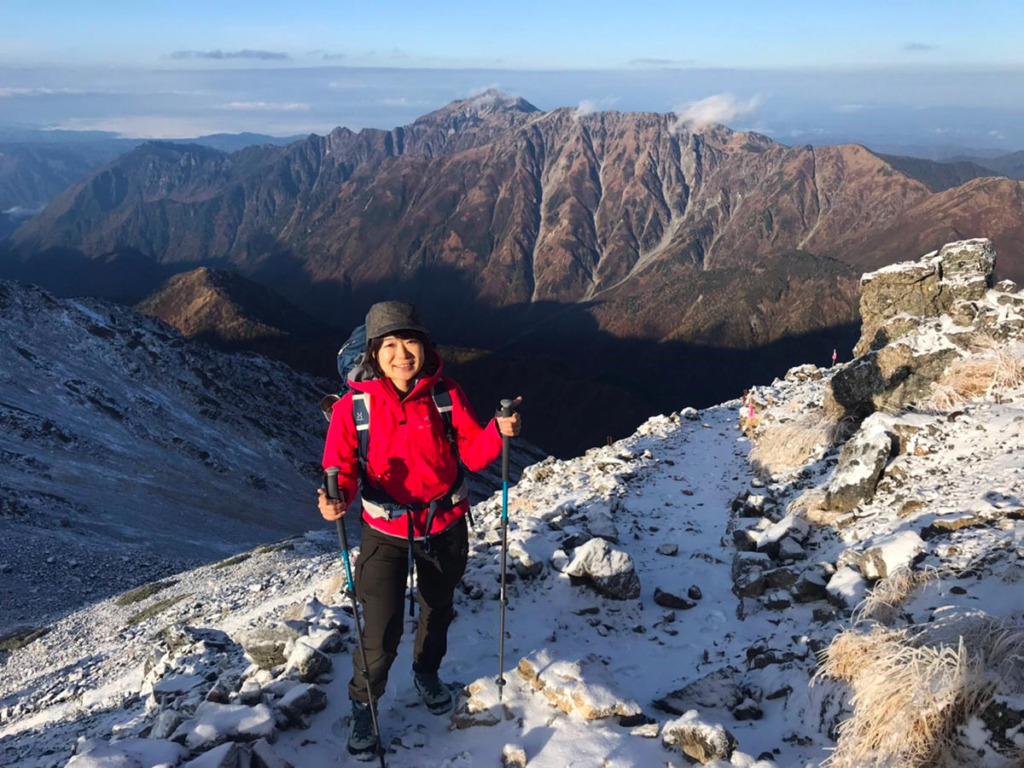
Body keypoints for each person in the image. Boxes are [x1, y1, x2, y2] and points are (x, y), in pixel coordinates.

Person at [317, 300, 521, 759]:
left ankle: (427, 673)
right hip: (385, 531)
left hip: (444, 522)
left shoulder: (446, 396)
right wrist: (336, 500)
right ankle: (365, 706)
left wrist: (498, 430)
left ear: (425, 347)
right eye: (388, 344)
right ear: (373, 352)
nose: (401, 353)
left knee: (438, 608)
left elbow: (470, 453)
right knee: (381, 628)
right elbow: (340, 470)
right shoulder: (354, 408)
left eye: (409, 341)